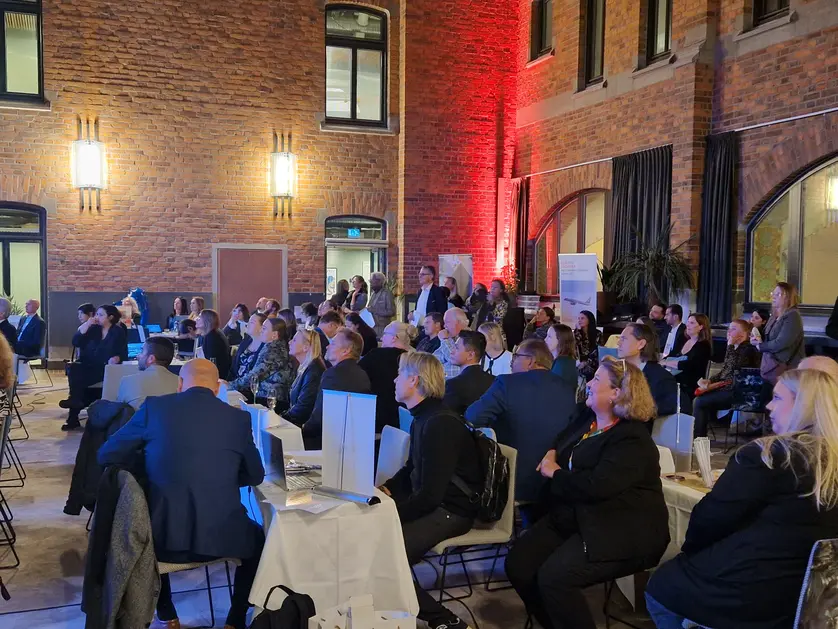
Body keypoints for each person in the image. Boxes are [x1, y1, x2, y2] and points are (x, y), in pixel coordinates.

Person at [646, 368, 838, 629]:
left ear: (803, 405)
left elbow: (708, 521)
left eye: (778, 398)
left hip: (755, 594)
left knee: (660, 589)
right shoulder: (829, 461)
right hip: (815, 598)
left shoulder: (770, 456)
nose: (768, 406)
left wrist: (692, 554)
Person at [98, 359, 265, 629]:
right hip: (226, 540)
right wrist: (222, 476)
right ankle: (235, 619)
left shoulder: (154, 408)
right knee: (260, 539)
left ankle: (167, 612)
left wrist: (152, 467)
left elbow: (107, 454)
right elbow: (256, 475)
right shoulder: (238, 418)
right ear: (217, 388)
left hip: (161, 544)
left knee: (154, 517)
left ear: (179, 384)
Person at [506, 357, 669, 629]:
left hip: (619, 528)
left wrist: (555, 473)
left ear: (616, 393)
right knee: (519, 564)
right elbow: (562, 438)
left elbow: (596, 486)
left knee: (554, 579)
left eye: (596, 380)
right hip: (578, 515)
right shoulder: (588, 417)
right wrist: (552, 452)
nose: (589, 384)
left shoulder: (632, 440)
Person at [380, 351, 481, 629]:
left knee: (384, 554)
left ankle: (445, 620)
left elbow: (431, 496)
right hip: (436, 503)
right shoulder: (423, 417)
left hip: (452, 511)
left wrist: (391, 514)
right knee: (375, 542)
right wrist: (386, 488)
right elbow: (412, 467)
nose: (394, 380)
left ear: (414, 380)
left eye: (399, 374)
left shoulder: (440, 424)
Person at [466, 339, 577, 504]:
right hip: (553, 483)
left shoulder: (506, 383)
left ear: (531, 361)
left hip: (511, 480)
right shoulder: (567, 389)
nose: (511, 362)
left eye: (516, 357)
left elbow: (472, 417)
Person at [61, 305, 128, 430]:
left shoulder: (117, 332)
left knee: (77, 384)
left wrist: (117, 358)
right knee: (74, 368)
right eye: (96, 314)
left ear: (110, 317)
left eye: (101, 315)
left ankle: (74, 411)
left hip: (104, 366)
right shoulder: (93, 329)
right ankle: (75, 401)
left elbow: (124, 353)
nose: (97, 317)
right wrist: (86, 325)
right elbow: (76, 342)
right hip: (87, 364)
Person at [303, 329, 371, 449]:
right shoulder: (362, 374)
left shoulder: (333, 374)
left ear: (346, 350)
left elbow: (320, 416)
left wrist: (302, 429)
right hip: (354, 444)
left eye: (333, 344)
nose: (327, 346)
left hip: (327, 443)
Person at [692, 319, 760, 438]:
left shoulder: (748, 349)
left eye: (733, 329)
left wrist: (729, 346)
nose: (729, 331)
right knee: (699, 397)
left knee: (699, 402)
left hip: (739, 392)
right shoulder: (735, 348)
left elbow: (734, 371)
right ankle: (701, 434)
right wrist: (710, 380)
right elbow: (724, 370)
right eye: (729, 328)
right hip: (728, 388)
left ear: (743, 334)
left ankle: (699, 438)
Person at [359, 322, 416, 432]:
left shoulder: (376, 355)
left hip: (376, 419)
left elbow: (356, 375)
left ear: (394, 338)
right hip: (405, 420)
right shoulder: (415, 360)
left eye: (385, 334)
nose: (381, 338)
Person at [229, 318, 294, 410]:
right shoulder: (272, 346)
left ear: (274, 335)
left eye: (264, 329)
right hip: (264, 397)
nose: (260, 331)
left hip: (272, 401)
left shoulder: (275, 351)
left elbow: (255, 375)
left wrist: (231, 385)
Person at [617, 322, 678, 416]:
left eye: (624, 339)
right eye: (619, 339)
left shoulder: (661, 379)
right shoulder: (617, 371)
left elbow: (664, 411)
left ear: (641, 344)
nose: (618, 343)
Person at [752, 282, 805, 388]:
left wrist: (760, 346)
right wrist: (756, 338)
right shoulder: (774, 315)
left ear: (788, 297)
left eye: (778, 294)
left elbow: (782, 342)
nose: (773, 297)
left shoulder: (792, 315)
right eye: (773, 293)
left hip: (785, 369)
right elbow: (768, 337)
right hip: (770, 366)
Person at [663, 313, 713, 410]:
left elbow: (690, 366)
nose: (687, 325)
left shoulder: (703, 345)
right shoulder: (683, 339)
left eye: (692, 323)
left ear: (701, 327)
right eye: (688, 322)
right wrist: (661, 361)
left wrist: (666, 363)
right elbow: (671, 355)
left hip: (689, 383)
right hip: (675, 378)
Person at [116, 337, 179, 410]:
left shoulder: (127, 381)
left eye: (142, 351)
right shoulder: (181, 383)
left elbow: (117, 411)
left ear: (151, 359)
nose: (138, 356)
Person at [443, 330, 495, 415]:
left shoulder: (454, 385)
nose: (452, 351)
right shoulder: (494, 381)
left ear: (470, 355)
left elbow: (447, 417)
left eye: (456, 348)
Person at [282, 329, 326, 428]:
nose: (289, 342)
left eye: (294, 340)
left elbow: (304, 407)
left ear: (305, 347)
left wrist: (281, 418)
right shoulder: (305, 367)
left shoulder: (314, 371)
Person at [228, 313, 266, 381]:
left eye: (252, 322)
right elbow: (234, 367)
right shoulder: (246, 341)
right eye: (248, 322)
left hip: (251, 385)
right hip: (234, 383)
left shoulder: (265, 347)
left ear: (262, 327)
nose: (247, 325)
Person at [433, 308, 470, 379]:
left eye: (447, 322)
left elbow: (454, 360)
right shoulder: (451, 338)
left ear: (459, 322)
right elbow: (435, 359)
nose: (444, 326)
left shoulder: (469, 339)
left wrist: (444, 340)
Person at [195, 309, 232, 379]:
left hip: (217, 376)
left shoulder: (212, 337)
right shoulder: (213, 333)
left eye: (200, 317)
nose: (196, 319)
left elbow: (211, 362)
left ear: (207, 321)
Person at [545, 323, 579, 391]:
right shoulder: (564, 360)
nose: (545, 339)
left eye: (549, 337)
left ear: (560, 340)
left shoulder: (562, 365)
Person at [367, 272, 396, 338]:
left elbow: (392, 312)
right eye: (370, 281)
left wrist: (375, 310)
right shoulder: (373, 293)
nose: (371, 283)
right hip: (372, 327)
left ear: (379, 281)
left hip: (382, 328)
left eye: (372, 281)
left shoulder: (387, 294)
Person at [574, 310, 600, 381]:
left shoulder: (598, 333)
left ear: (589, 320)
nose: (579, 320)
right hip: (579, 362)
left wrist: (586, 362)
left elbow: (597, 350)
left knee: (588, 372)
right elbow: (575, 347)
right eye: (578, 318)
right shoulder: (577, 333)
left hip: (592, 362)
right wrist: (578, 331)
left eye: (582, 318)